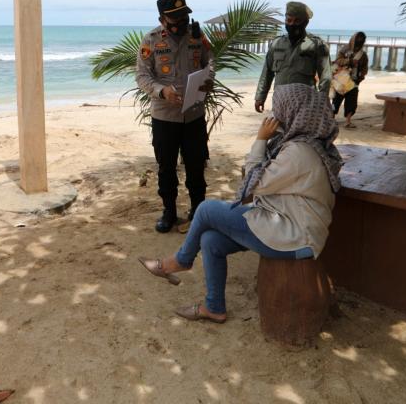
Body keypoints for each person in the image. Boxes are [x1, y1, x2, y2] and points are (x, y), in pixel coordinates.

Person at [138, 84, 341, 323]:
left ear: (295, 112)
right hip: (288, 224)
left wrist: (260, 139)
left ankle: (178, 262)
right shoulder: (304, 145)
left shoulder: (298, 153)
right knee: (210, 241)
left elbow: (254, 183)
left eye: (279, 109)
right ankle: (214, 308)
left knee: (205, 209)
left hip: (295, 236)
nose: (274, 116)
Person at [135, 0, 215, 234]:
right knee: (166, 168)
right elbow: (142, 76)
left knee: (195, 165)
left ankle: (197, 212)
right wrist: (161, 91)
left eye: (184, 15)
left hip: (193, 115)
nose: (182, 21)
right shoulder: (150, 40)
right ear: (162, 19)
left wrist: (209, 79)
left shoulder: (197, 36)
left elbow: (209, 62)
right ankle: (169, 212)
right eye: (175, 18)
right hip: (164, 118)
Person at [254, 1, 331, 113]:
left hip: (305, 104)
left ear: (305, 23)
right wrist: (260, 97)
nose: (292, 24)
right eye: (288, 20)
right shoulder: (276, 44)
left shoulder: (317, 45)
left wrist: (322, 101)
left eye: (297, 21)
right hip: (280, 102)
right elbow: (267, 72)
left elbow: (325, 76)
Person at [330, 31, 368, 128]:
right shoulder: (345, 49)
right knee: (336, 100)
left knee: (352, 102)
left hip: (354, 81)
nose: (359, 41)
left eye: (361, 39)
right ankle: (331, 119)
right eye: (358, 39)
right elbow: (338, 61)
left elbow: (364, 67)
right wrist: (349, 61)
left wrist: (361, 77)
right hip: (341, 79)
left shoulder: (363, 55)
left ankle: (348, 121)